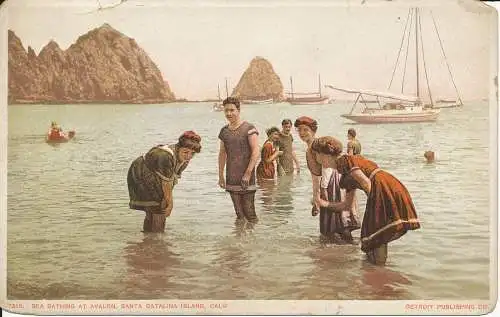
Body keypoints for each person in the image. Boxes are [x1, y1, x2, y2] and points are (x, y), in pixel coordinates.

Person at [311, 136, 420, 265]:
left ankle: (378, 268)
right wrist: (322, 203)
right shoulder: (345, 170)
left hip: (383, 187)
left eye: (316, 154)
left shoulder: (346, 162)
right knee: (375, 234)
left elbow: (366, 183)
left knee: (375, 232)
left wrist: (375, 206)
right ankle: (378, 270)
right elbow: (346, 206)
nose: (316, 158)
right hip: (391, 186)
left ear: (324, 155)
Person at [293, 116, 359, 242]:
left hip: (330, 184)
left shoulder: (315, 147)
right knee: (339, 224)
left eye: (305, 130)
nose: (302, 133)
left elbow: (323, 172)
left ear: (313, 131)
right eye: (299, 130)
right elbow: (316, 175)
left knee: (335, 225)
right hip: (333, 182)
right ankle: (346, 250)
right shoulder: (313, 146)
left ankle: (340, 250)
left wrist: (319, 196)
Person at [127, 131, 202, 233]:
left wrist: (166, 199)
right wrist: (169, 204)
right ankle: (157, 239)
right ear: (178, 147)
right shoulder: (165, 155)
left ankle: (149, 239)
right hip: (141, 173)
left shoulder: (184, 160)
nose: (189, 156)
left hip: (155, 176)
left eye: (192, 153)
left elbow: (172, 180)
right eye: (185, 152)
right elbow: (166, 183)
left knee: (158, 206)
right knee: (158, 208)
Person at [218, 97, 260, 223]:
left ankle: (254, 239)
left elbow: (256, 152)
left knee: (250, 213)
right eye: (226, 111)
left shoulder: (249, 128)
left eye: (232, 110)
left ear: (239, 110)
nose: (229, 113)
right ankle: (239, 241)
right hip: (231, 175)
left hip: (246, 175)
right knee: (239, 214)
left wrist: (248, 173)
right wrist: (221, 175)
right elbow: (222, 153)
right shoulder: (224, 131)